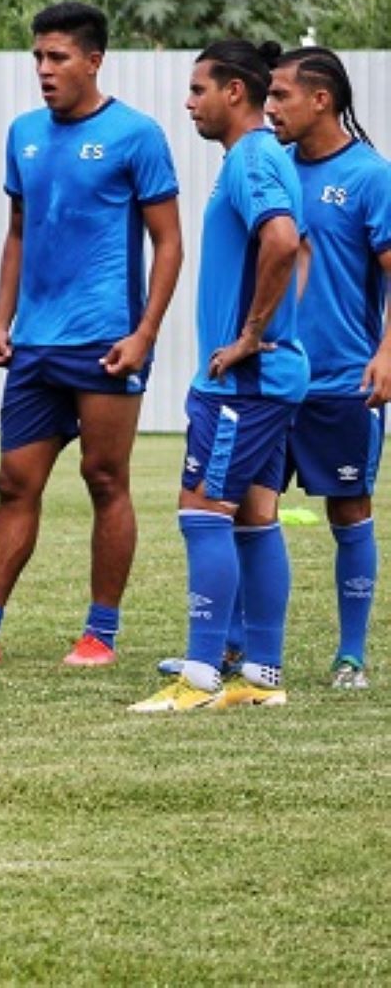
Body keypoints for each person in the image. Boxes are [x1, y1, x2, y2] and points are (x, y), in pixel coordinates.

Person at [0, 2, 183, 669]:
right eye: (38, 58)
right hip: (35, 343)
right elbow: (19, 231)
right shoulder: (24, 133)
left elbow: (168, 243)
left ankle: (100, 633)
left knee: (105, 478)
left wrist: (144, 333)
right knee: (14, 481)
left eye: (59, 58)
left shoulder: (137, 135)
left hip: (106, 339)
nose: (44, 70)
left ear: (94, 59)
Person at [132, 39, 305, 713]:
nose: (189, 101)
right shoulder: (257, 157)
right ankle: (260, 673)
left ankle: (200, 674)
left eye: (199, 89)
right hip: (268, 378)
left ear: (235, 91)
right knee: (257, 517)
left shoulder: (255, 158)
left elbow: (284, 240)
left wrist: (251, 336)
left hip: (244, 383)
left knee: (202, 511)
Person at [266, 47, 391, 689]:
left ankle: (350, 656)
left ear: (322, 100)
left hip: (342, 380)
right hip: (270, 378)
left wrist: (387, 352)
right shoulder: (273, 169)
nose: (270, 106)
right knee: (246, 511)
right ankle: (245, 651)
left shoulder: (371, 176)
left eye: (282, 95)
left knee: (349, 511)